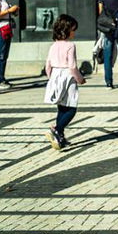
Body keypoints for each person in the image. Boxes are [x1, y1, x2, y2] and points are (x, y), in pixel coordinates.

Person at [43, 14, 85, 151]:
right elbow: (72, 66)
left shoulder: (53, 45)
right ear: (67, 30)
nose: (74, 32)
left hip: (55, 74)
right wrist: (80, 79)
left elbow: (47, 65)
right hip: (68, 76)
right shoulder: (70, 46)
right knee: (71, 108)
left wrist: (51, 78)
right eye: (73, 29)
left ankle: (60, 137)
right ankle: (56, 129)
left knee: (61, 107)